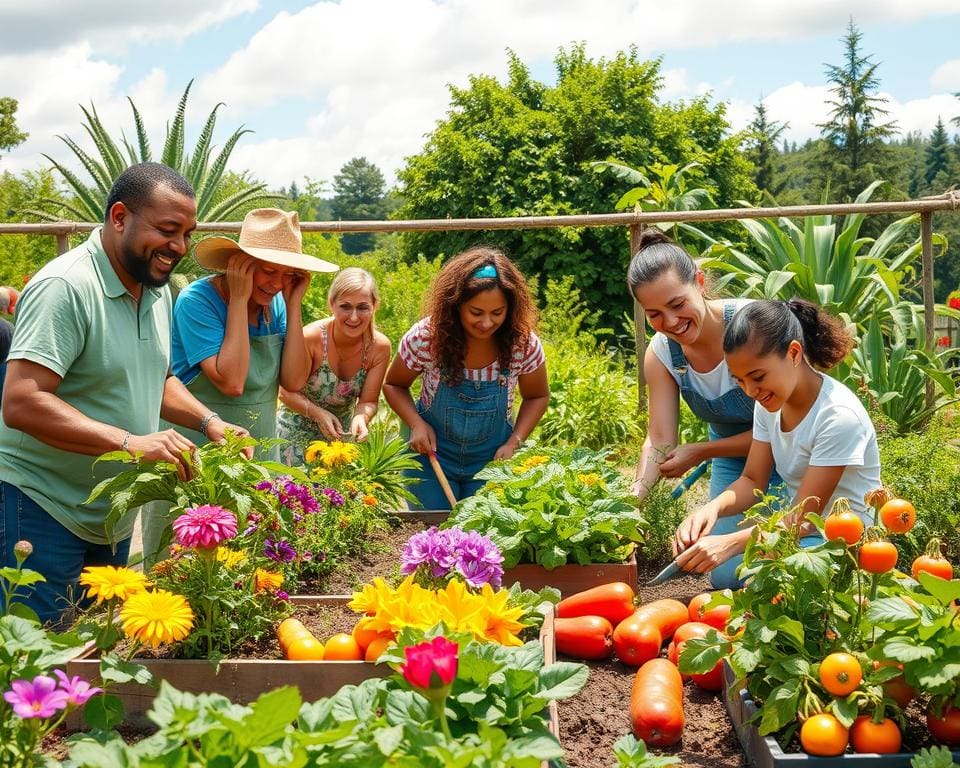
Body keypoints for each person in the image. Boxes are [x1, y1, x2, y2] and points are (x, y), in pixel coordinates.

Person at [0, 163, 249, 624]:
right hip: (41, 508)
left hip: (110, 514)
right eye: (167, 230)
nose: (179, 247)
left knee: (97, 665)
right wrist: (131, 443)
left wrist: (209, 422)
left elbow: (156, 378)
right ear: (119, 217)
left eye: (187, 234)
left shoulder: (155, 292)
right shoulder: (67, 287)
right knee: (37, 665)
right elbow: (21, 401)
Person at [140, 207, 336, 565]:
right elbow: (232, 382)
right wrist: (240, 300)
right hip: (199, 454)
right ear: (240, 263)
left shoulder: (276, 303)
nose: (276, 283)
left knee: (251, 567)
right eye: (268, 270)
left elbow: (292, 381)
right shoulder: (198, 301)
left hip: (258, 454)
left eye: (286, 274)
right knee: (183, 563)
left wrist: (293, 306)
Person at [673, 299, 881, 588]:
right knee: (725, 575)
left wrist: (731, 542)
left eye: (757, 377)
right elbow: (751, 479)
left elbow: (805, 518)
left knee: (762, 585)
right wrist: (712, 508)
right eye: (740, 381)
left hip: (842, 541)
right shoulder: (769, 404)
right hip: (801, 534)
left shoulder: (837, 416)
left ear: (794, 353)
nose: (750, 391)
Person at [383, 246, 549, 509]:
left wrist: (515, 442)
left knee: (484, 539)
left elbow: (537, 396)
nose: (486, 322)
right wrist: (415, 423)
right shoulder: (426, 338)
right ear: (456, 305)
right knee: (434, 537)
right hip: (431, 458)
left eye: (497, 313)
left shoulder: (523, 344)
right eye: (476, 312)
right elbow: (394, 385)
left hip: (492, 461)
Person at [628, 228, 781, 503]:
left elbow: (787, 423)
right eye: (654, 314)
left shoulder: (755, 326)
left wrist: (703, 450)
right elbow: (660, 438)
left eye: (677, 304)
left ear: (699, 282)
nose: (671, 321)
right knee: (719, 542)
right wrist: (633, 501)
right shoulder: (662, 354)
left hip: (794, 452)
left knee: (783, 542)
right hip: (733, 462)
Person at [277, 267, 391, 465]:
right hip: (293, 439)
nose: (354, 317)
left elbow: (368, 401)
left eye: (363, 307)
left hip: (339, 444)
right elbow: (285, 391)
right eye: (345, 306)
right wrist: (318, 414)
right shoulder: (311, 338)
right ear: (331, 304)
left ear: (375, 306)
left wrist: (361, 419)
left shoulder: (379, 347)